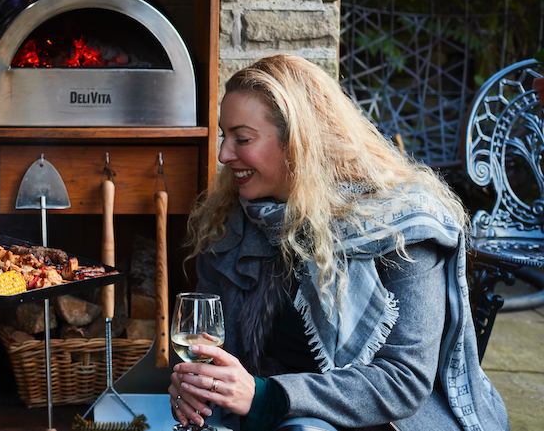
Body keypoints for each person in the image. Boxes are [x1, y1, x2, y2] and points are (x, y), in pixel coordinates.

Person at [168, 54, 508, 431]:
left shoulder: (401, 224)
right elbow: (215, 355)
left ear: (298, 142)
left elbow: (403, 382)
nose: (223, 154)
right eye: (223, 135)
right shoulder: (232, 222)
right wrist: (200, 386)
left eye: (242, 138)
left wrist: (270, 396)